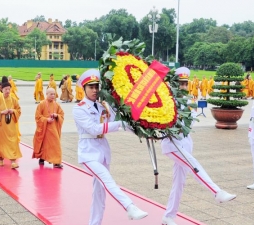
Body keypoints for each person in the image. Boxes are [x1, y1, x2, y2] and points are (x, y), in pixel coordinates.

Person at [161, 67, 236, 225]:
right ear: (174, 84)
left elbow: (192, 121)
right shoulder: (168, 101)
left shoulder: (189, 102)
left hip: (185, 142)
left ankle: (168, 216)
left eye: (185, 83)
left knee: (179, 182)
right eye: (180, 83)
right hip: (172, 144)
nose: (183, 86)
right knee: (194, 166)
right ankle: (216, 192)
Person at [73, 69, 148, 225]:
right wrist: (118, 124)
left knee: (99, 193)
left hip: (103, 152)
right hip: (88, 153)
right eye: (91, 87)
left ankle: (94, 223)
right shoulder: (79, 108)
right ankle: (130, 207)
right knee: (107, 180)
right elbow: (94, 129)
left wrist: (142, 132)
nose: (94, 90)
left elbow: (121, 122)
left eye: (96, 86)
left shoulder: (102, 106)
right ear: (84, 88)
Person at [0, 81, 22, 169]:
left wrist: (13, 111)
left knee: (12, 143)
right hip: (1, 127)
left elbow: (18, 110)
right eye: (5, 89)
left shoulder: (14, 100)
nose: (7, 91)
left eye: (9, 89)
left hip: (11, 127)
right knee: (1, 143)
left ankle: (13, 161)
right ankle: (1, 158)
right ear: (2, 89)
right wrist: (1, 112)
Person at [32, 88, 65, 168]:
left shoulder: (56, 105)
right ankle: (42, 158)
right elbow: (37, 117)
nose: (53, 96)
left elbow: (61, 114)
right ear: (46, 94)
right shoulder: (42, 104)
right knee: (43, 145)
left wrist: (56, 116)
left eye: (54, 94)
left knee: (56, 145)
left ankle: (56, 162)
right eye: (51, 94)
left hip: (54, 129)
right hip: (44, 129)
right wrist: (46, 120)